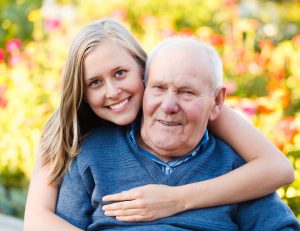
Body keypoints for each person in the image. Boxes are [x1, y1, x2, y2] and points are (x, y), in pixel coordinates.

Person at [23, 19, 295, 231]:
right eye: (94, 82)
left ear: (142, 73)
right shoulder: (82, 145)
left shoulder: (228, 157)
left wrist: (176, 199)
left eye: (120, 73)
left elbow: (279, 170)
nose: (113, 91)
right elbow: (38, 219)